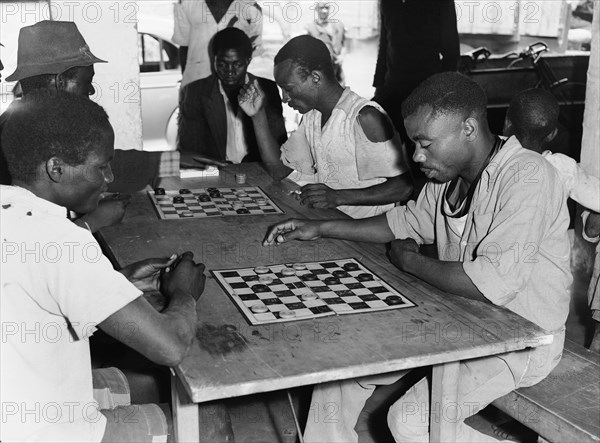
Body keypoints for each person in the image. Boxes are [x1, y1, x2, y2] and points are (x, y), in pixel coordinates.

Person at [262, 72, 571, 442]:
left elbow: (492, 283)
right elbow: (403, 222)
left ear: (468, 129)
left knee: (409, 422)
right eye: (413, 143)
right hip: (460, 319)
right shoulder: (447, 177)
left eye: (425, 143)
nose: (417, 155)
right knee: (344, 366)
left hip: (522, 340)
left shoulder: (528, 177)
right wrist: (322, 227)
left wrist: (410, 262)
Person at [0, 90, 206, 442]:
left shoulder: (12, 211)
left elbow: (43, 291)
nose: (110, 177)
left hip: (22, 401)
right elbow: (171, 347)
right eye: (101, 165)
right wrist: (183, 292)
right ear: (55, 168)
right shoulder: (62, 240)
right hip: (47, 433)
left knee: (150, 384)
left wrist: (119, 281)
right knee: (211, 420)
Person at [0, 20, 179, 232]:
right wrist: (91, 223)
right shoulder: (15, 142)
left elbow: (93, 160)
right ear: (61, 83)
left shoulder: (32, 124)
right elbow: (26, 243)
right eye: (87, 80)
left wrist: (170, 161)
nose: (92, 90)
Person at [239, 35, 413, 219]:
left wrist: (337, 197)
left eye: (288, 88)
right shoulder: (312, 117)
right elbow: (279, 171)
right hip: (332, 225)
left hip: (369, 233)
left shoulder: (365, 117)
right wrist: (257, 116)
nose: (284, 97)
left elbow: (403, 187)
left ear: (315, 77)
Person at [504, 88, 600, 353]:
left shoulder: (491, 160)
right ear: (553, 134)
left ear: (506, 123)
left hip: (491, 281)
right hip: (543, 301)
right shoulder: (561, 168)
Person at [373, 0, 459, 194]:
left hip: (425, 90)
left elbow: (451, 50)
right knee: (385, 154)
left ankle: (422, 209)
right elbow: (384, 44)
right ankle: (393, 204)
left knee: (422, 157)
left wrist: (441, 94)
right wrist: (379, 88)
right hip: (391, 88)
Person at [177, 27, 286, 166]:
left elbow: (280, 148)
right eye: (222, 64)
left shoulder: (266, 90)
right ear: (214, 59)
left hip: (259, 172)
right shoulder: (195, 92)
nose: (229, 71)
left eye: (237, 64)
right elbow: (189, 152)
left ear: (248, 60)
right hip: (215, 174)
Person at [173, 0, 263, 88]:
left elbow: (251, 54)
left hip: (235, 89)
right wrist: (186, 86)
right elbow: (184, 47)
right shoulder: (186, 3)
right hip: (194, 83)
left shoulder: (251, 8)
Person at [305, 2, 346, 85]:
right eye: (321, 8)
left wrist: (342, 56)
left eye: (327, 8)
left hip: (336, 69)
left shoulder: (338, 26)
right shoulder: (311, 28)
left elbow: (345, 44)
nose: (324, 11)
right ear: (316, 9)